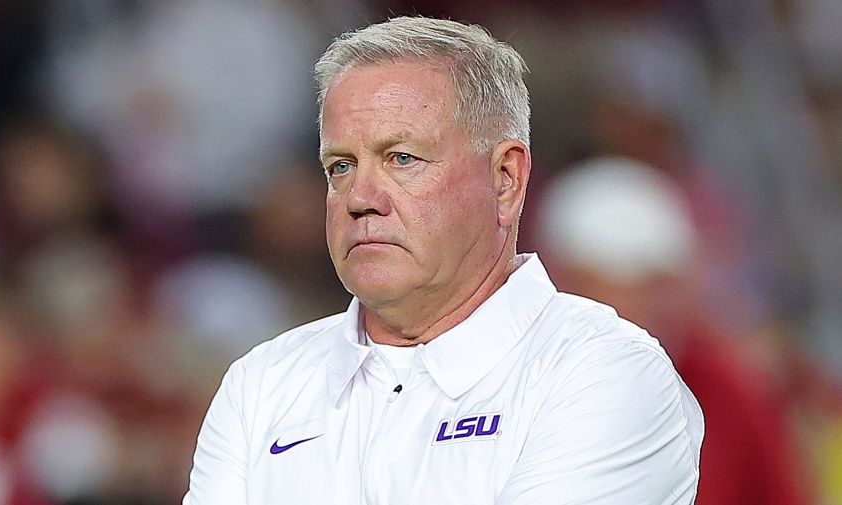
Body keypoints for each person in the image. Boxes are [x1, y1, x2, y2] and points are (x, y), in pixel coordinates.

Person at [183, 17, 703, 504]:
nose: (360, 196)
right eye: (340, 166)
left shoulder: (601, 372)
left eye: (401, 158)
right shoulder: (259, 386)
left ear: (505, 179)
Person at [533, 156, 812, 505]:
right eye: (606, 289)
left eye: (653, 287)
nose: (635, 314)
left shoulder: (727, 391)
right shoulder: (507, 389)